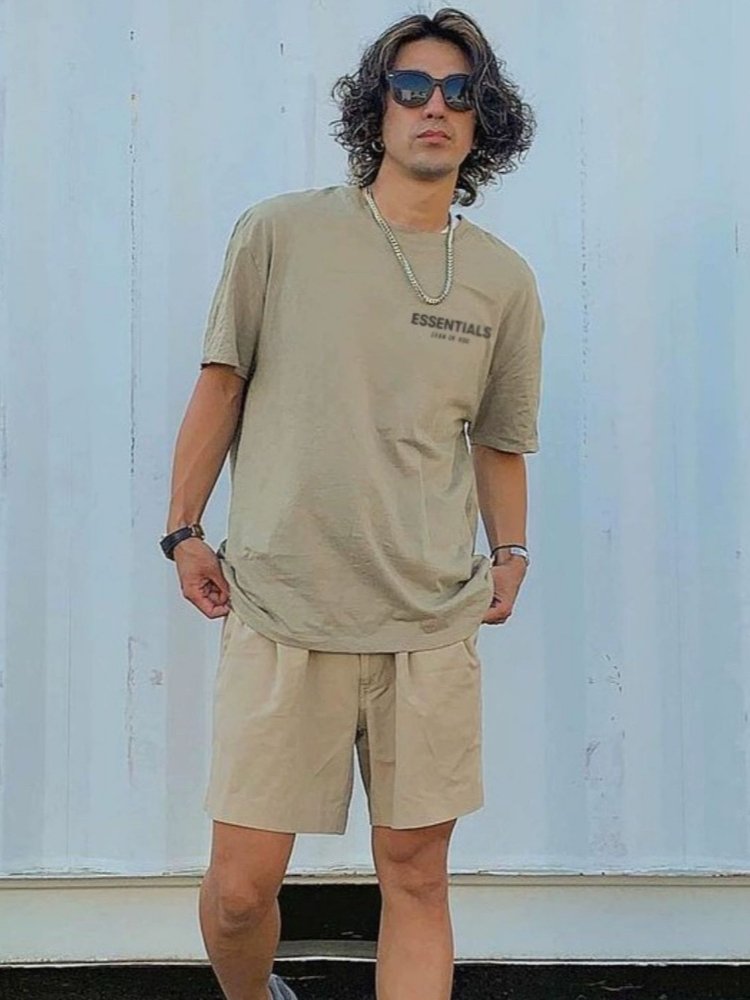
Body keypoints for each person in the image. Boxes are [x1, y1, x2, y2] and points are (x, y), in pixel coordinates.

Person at [161, 8, 544, 1000]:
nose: (434, 107)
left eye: (460, 92)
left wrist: (511, 552)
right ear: (377, 109)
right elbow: (222, 383)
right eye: (411, 88)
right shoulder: (281, 233)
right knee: (240, 890)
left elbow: (499, 437)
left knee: (415, 876)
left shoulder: (503, 281)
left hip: (427, 622)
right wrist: (184, 527)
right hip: (284, 608)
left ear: (484, 120)